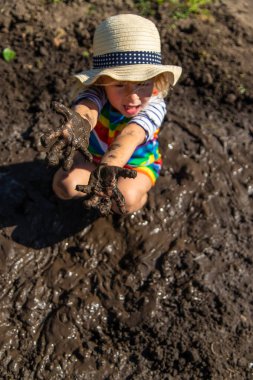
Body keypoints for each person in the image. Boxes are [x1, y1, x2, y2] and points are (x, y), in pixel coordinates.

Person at [41, 14, 182, 215]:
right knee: (64, 185)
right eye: (120, 84)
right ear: (102, 81)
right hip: (92, 157)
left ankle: (141, 198)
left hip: (135, 165)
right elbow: (87, 110)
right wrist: (78, 124)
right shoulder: (98, 92)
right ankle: (98, 183)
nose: (133, 96)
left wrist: (110, 167)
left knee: (126, 201)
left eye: (143, 84)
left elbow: (131, 135)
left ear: (156, 79)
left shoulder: (155, 103)